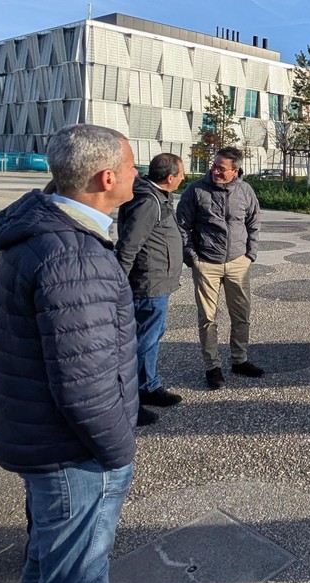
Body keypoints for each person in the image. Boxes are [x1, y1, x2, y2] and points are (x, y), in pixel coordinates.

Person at [0, 124, 141, 583]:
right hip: (73, 453)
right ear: (106, 177)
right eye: (133, 165)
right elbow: (83, 386)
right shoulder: (73, 254)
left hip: (45, 439)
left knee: (47, 565)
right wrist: (118, 453)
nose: (139, 172)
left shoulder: (44, 233)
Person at [176, 146, 264, 389]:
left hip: (238, 263)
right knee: (208, 318)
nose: (214, 170)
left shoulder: (245, 190)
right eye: (213, 165)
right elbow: (182, 226)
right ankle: (212, 367)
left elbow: (254, 222)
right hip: (206, 264)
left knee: (241, 315)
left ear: (235, 171)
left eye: (221, 168)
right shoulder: (196, 190)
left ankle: (239, 359)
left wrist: (250, 255)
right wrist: (193, 258)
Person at [115, 153, 186, 411]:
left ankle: (147, 386)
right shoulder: (148, 202)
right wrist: (117, 285)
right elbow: (128, 246)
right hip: (148, 284)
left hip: (157, 282)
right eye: (181, 174)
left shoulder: (156, 197)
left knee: (150, 335)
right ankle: (136, 394)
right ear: (170, 177)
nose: (183, 178)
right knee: (145, 337)